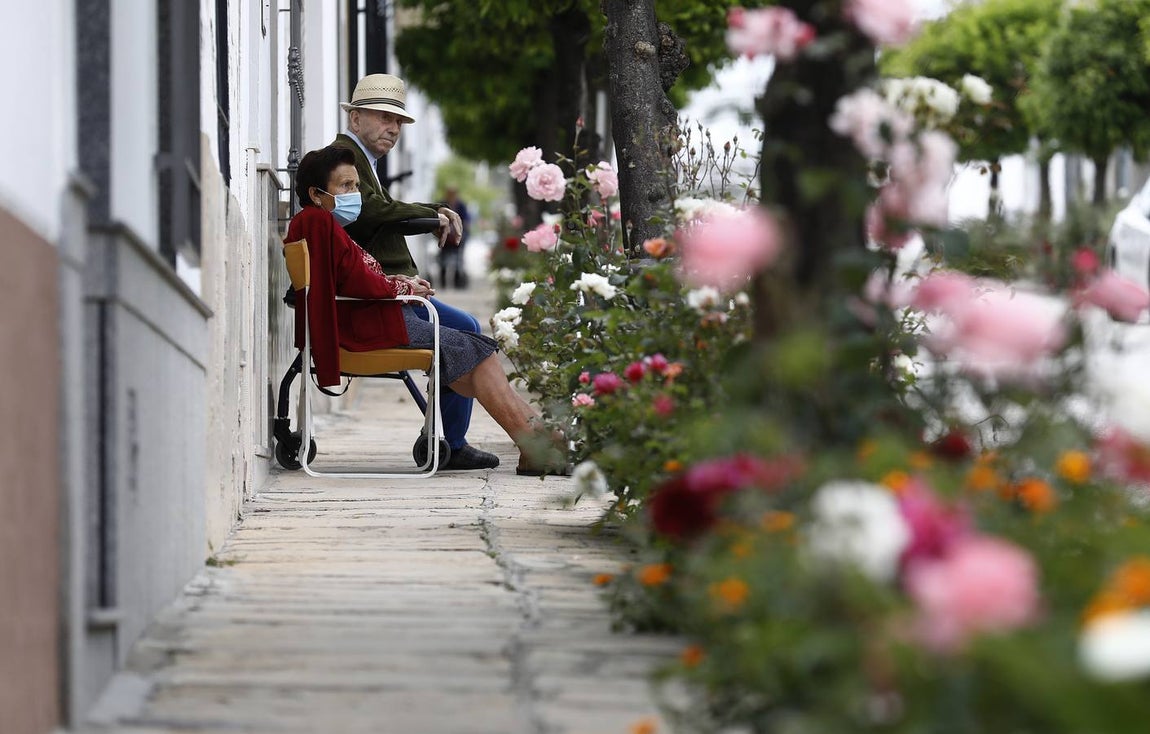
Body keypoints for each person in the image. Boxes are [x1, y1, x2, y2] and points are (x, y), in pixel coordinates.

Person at [286, 145, 567, 476]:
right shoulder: (318, 223)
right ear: (316, 194)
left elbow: (350, 279)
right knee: (478, 354)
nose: (354, 193)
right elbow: (358, 286)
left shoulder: (318, 223)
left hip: (369, 320)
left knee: (475, 353)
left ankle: (535, 437)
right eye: (345, 186)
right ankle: (533, 440)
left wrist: (398, 281)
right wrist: (403, 288)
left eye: (357, 186)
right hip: (366, 328)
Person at [329, 73, 494, 470]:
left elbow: (382, 213)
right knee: (465, 337)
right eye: (384, 117)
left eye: (399, 121)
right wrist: (433, 214)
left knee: (469, 327)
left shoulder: (364, 162)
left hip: (390, 292)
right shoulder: (343, 159)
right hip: (374, 302)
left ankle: (450, 441)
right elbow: (372, 212)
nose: (393, 128)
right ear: (355, 120)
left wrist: (430, 216)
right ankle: (450, 443)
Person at [438, 187, 470, 289]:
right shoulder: (442, 204)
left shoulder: (461, 205)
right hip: (445, 237)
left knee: (458, 261)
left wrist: (461, 233)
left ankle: (457, 282)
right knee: (443, 260)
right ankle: (443, 282)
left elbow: (466, 221)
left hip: (457, 237)